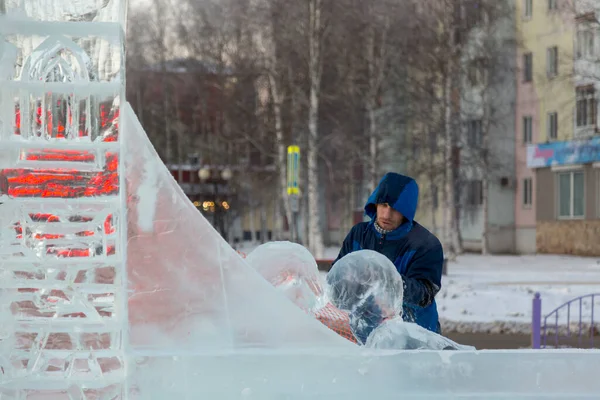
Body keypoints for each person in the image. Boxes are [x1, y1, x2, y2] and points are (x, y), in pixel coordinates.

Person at [332, 172, 444, 333]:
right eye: (383, 205)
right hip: (363, 333)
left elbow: (424, 294)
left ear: (406, 211)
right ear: (375, 203)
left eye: (395, 209)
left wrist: (386, 280)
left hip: (413, 336)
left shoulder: (425, 244)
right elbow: (337, 280)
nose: (386, 214)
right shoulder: (359, 234)